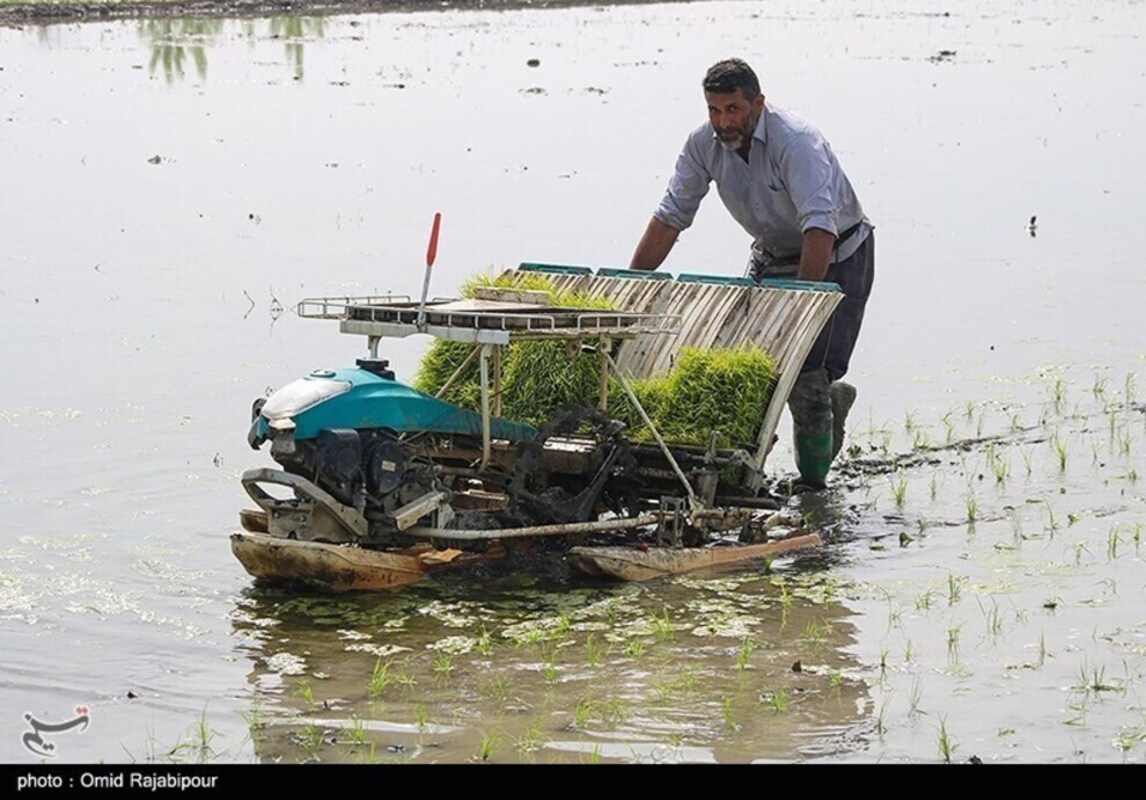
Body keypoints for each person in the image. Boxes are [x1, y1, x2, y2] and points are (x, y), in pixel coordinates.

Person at [629, 58, 874, 489]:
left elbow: (820, 227)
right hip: (771, 252)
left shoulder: (796, 142)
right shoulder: (702, 144)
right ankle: (743, 474)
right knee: (752, 369)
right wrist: (631, 284)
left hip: (836, 253)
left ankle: (812, 489)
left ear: (757, 103)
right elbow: (671, 215)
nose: (723, 122)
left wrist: (801, 306)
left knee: (805, 375)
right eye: (714, 110)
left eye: (733, 110)